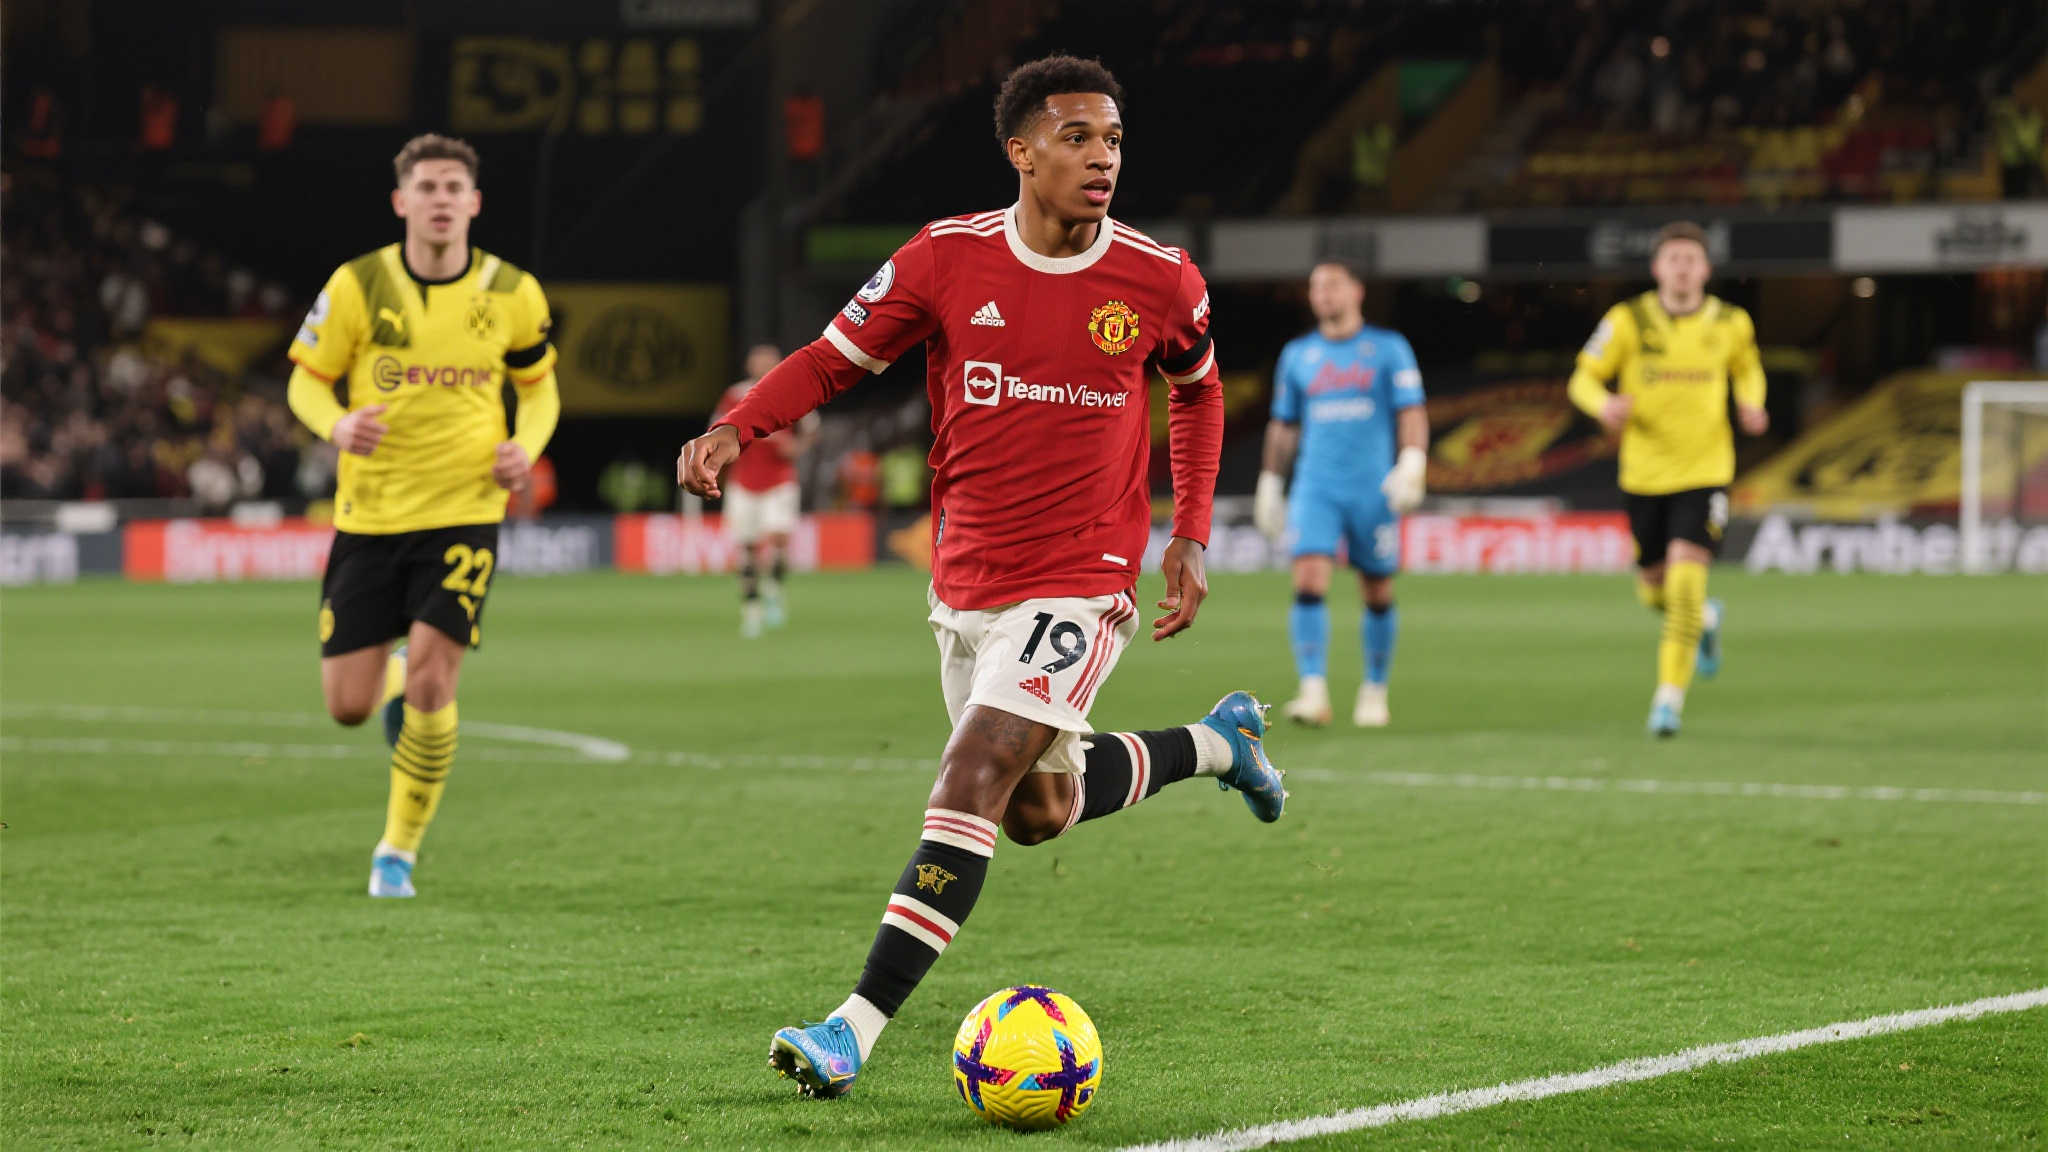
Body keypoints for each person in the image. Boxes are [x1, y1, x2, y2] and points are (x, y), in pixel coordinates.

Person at [676, 54, 1286, 1100]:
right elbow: (831, 358)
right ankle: (1218, 745)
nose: (1102, 158)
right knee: (1034, 809)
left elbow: (1197, 390)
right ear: (1021, 152)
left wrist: (1187, 531)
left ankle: (849, 1031)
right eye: (1077, 138)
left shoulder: (1159, 277)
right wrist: (742, 425)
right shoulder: (944, 258)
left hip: (1083, 578)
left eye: (1113, 140)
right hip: (967, 582)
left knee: (969, 775)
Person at [286, 133, 560, 897]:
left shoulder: (512, 291)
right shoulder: (357, 284)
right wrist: (336, 424)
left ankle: (395, 853)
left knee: (436, 685)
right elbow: (305, 381)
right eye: (428, 187)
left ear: (474, 203)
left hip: (465, 510)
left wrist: (525, 447)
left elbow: (539, 389)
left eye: (453, 188)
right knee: (347, 706)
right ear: (401, 201)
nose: (441, 200)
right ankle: (396, 672)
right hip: (370, 515)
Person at [1567, 220, 1766, 738]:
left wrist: (1751, 402)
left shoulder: (1731, 322)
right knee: (1653, 592)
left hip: (1706, 472)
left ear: (1706, 269)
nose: (1682, 268)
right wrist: (1602, 404)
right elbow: (1582, 377)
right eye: (1673, 259)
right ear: (1657, 268)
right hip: (1644, 474)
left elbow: (1748, 368)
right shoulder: (1627, 320)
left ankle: (1668, 701)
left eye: (1690, 259)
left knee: (1683, 583)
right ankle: (1707, 619)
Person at [1253, 261, 1427, 728]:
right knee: (1308, 579)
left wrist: (1413, 460)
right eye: (1316, 287)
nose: (1324, 294)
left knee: (1377, 587)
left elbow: (1412, 411)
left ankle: (1374, 690)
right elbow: (1284, 423)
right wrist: (1270, 481)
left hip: (1374, 488)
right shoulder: (1298, 355)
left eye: (1333, 285)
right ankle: (1313, 692)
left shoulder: (1389, 349)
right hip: (1316, 487)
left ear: (1357, 291)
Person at [709, 342, 819, 636]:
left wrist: (796, 447)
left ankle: (773, 587)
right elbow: (716, 429)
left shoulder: (790, 390)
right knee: (746, 547)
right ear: (749, 365)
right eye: (758, 361)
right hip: (743, 482)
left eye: (769, 361)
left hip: (780, 480)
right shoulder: (735, 395)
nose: (763, 366)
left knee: (779, 540)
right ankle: (751, 609)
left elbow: (811, 429)